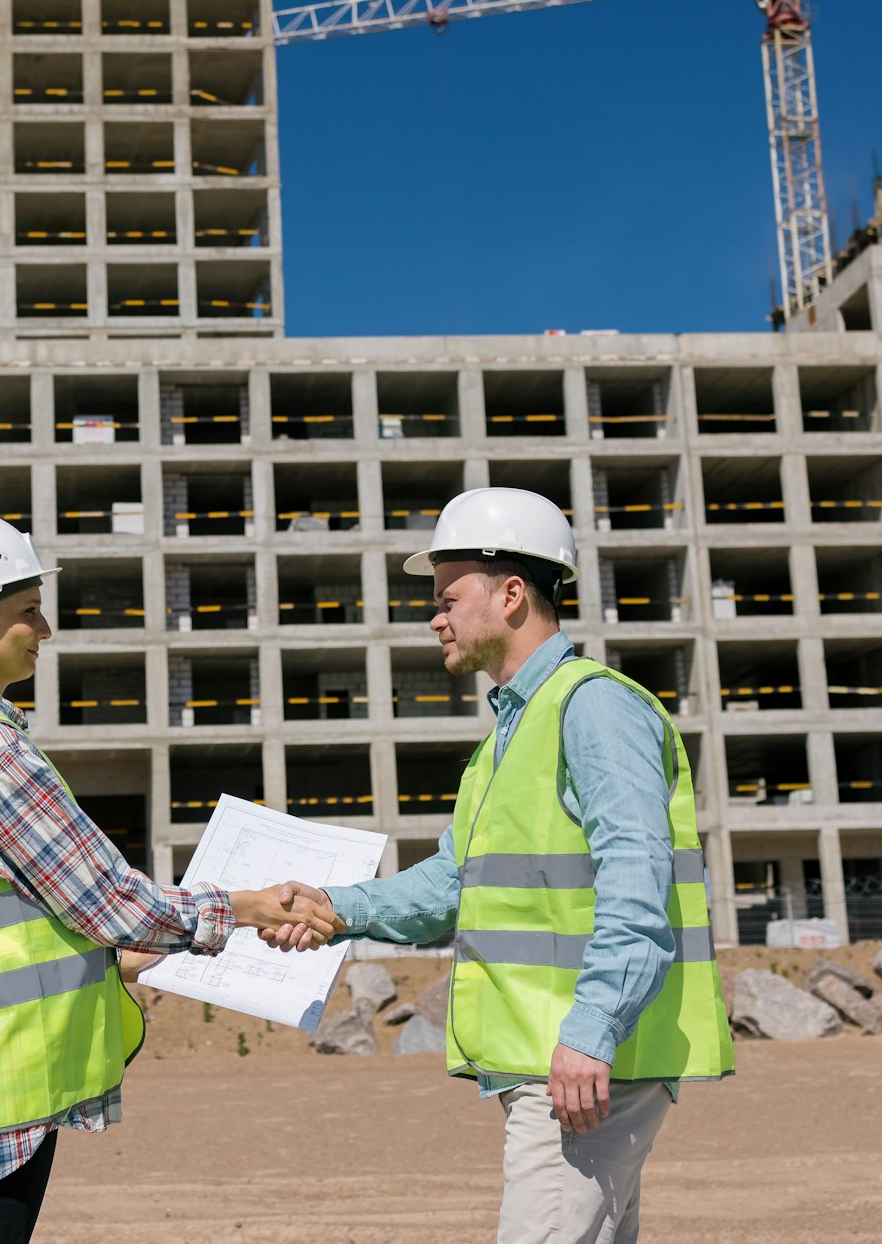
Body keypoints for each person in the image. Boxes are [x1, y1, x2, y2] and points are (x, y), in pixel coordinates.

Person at [264, 487, 734, 1243]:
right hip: (558, 1062)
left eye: (448, 597)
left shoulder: (593, 709)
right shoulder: (509, 736)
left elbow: (636, 889)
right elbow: (451, 883)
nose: (434, 616)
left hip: (579, 1064)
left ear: (512, 593)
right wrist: (333, 905)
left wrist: (591, 1030)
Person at [0, 511, 339, 1244]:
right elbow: (112, 898)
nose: (46, 629)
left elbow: (1, 922)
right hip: (5, 1079)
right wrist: (249, 905)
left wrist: (113, 957)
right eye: (28, 611)